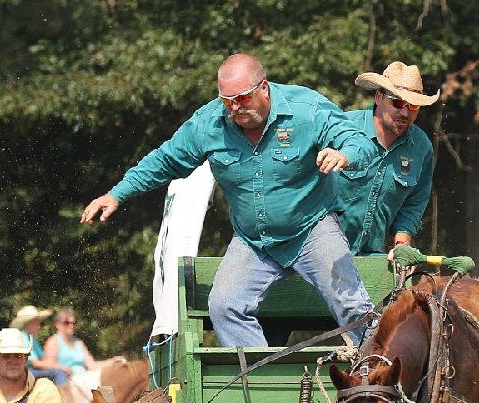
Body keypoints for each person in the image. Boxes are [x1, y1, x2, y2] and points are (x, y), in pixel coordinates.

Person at [80, 53, 380, 348]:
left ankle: (378, 380)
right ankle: (259, 385)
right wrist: (117, 193)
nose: (235, 108)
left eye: (243, 98)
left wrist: (344, 155)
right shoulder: (208, 124)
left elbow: (358, 142)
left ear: (263, 87)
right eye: (227, 101)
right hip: (253, 241)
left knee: (351, 304)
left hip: (312, 229)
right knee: (225, 306)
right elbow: (164, 160)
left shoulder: (307, 108)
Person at [332, 61, 438, 257]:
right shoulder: (341, 128)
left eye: (413, 106)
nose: (405, 112)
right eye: (397, 103)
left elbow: (413, 205)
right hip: (318, 254)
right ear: (379, 97)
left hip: (372, 254)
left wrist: (401, 245)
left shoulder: (422, 148)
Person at [10, 305, 68, 386]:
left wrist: (54, 364)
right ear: (27, 323)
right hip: (25, 372)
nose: (39, 325)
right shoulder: (21, 336)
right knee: (59, 373)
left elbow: (43, 358)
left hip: (31, 371)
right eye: (36, 322)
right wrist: (58, 366)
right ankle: (62, 397)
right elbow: (34, 362)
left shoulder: (32, 338)